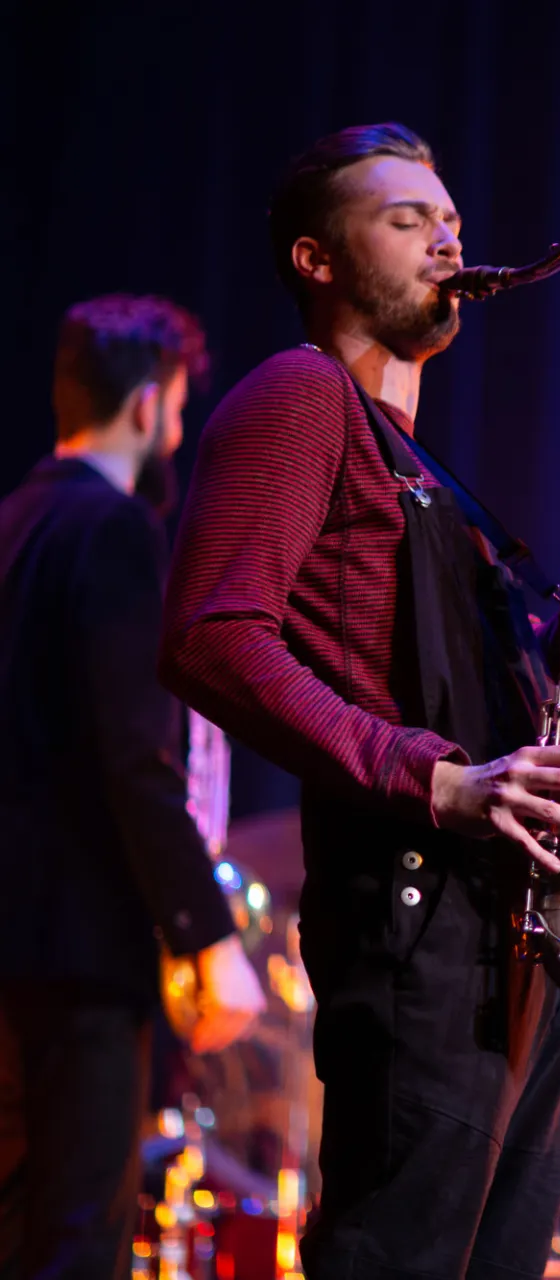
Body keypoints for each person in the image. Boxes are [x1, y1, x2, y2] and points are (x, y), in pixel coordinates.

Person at [157, 123, 560, 1279]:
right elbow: (211, 635)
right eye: (405, 218)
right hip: (422, 918)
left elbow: (478, 681)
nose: (446, 237)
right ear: (318, 259)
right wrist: (439, 777)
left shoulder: (422, 468)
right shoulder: (300, 396)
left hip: (514, 920)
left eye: (449, 217)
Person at [0, 295, 266, 1279]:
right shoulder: (112, 531)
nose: (181, 430)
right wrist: (207, 934)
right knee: (79, 1238)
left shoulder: (14, 519)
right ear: (151, 407)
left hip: (15, 949)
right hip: (81, 948)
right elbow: (132, 754)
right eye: (184, 407)